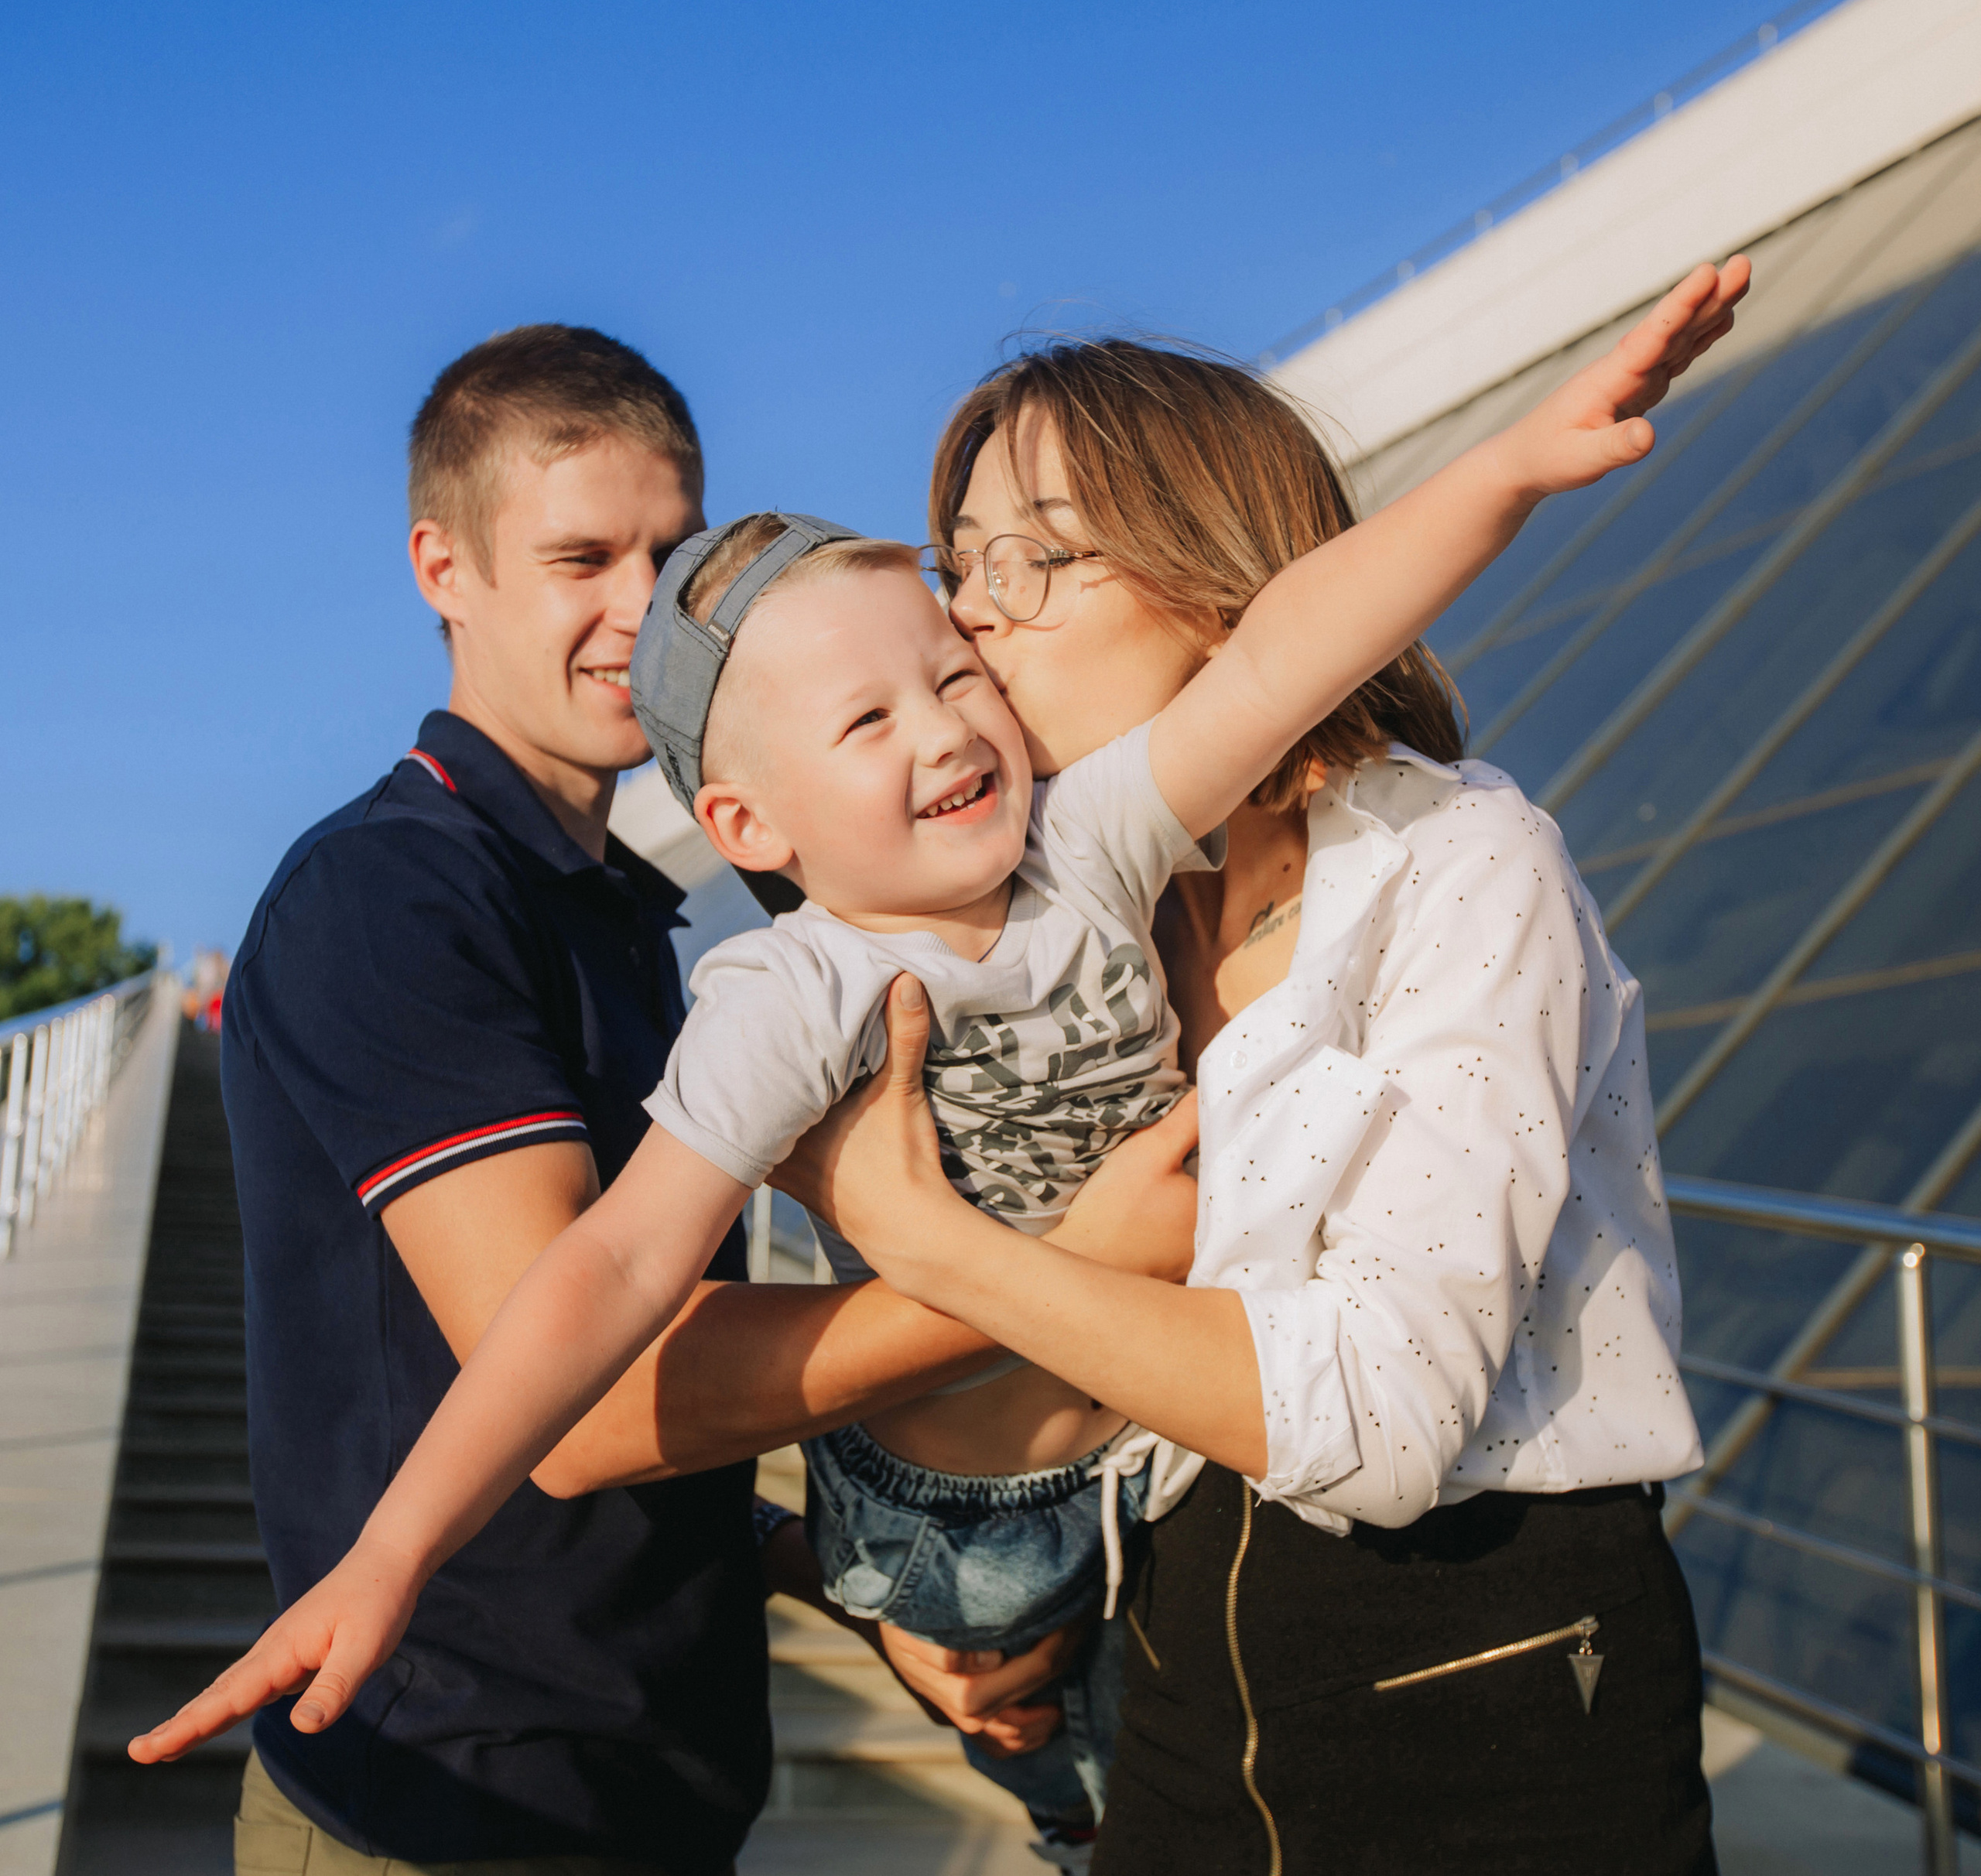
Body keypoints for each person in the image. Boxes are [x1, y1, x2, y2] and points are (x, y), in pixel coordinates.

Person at [135, 264, 1742, 1876]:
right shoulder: (722, 962)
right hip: (546, 1732)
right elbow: (606, 1294)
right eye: (959, 578)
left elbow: (1284, 656)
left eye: (984, 617)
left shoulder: (1110, 851)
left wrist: (1507, 468)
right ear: (749, 820)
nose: (960, 659)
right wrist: (391, 1550)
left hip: (1213, 1585)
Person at [772, 274, 1750, 1874]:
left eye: (1037, 556)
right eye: (961, 564)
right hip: (1179, 1677)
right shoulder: (1063, 935)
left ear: (1222, 587)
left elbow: (1385, 1419)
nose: (976, 616)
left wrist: (936, 1245)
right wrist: (951, 1599)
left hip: (1491, 1683)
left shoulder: (1455, 860)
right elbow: (1078, 1381)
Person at [185, 324, 1122, 1876]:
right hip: (446, 1804)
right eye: (580, 558)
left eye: (670, 555)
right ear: (443, 567)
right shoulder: (392, 896)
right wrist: (1078, 1275)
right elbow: (592, 1402)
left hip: (651, 1786)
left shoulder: (614, 910)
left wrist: (854, 1585)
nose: (641, 610)